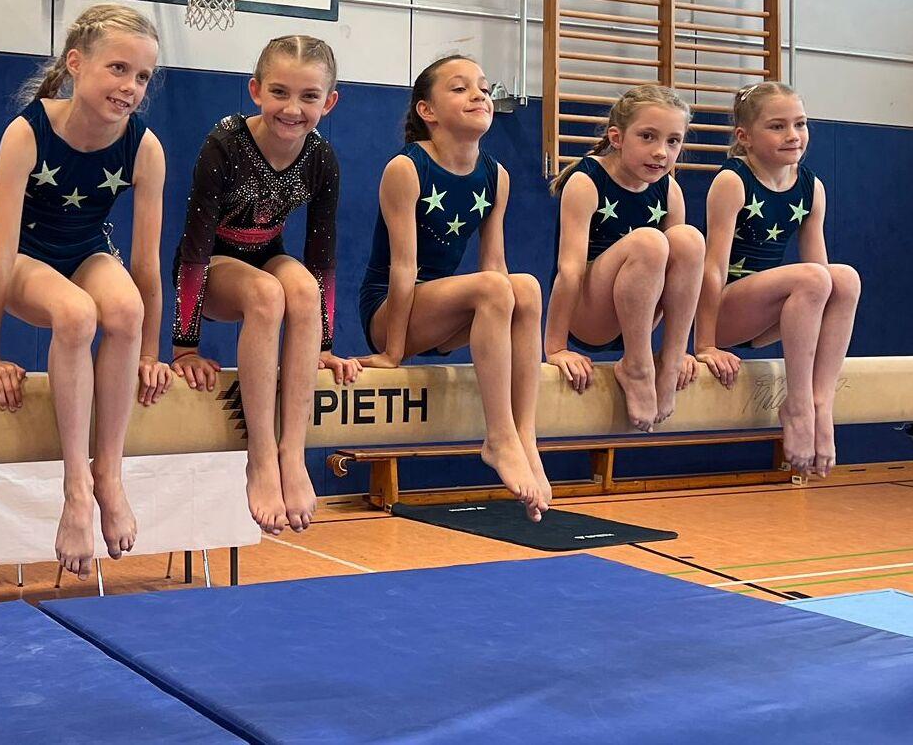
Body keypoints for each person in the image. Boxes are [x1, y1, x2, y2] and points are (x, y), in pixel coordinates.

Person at [0, 5, 169, 578]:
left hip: (86, 256)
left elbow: (146, 265)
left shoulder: (143, 147)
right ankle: (76, 487)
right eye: (118, 69)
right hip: (26, 265)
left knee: (124, 307)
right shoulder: (28, 132)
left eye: (142, 76)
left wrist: (150, 352)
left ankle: (109, 472)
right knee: (77, 314)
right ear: (76, 64)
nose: (130, 87)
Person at [171, 35, 361, 536]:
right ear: (255, 90)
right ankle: (259, 456)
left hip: (266, 258)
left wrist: (322, 345)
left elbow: (322, 259)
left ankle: (291, 453)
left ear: (329, 102)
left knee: (302, 288)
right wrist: (185, 346)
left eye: (308, 96)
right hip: (214, 269)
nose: (292, 109)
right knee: (266, 293)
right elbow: (194, 248)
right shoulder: (225, 144)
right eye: (279, 92)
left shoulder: (321, 158)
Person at [359, 55, 548, 518]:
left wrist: (501, 299)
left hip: (446, 311)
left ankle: (524, 435)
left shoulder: (495, 175)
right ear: (427, 111)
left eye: (483, 87)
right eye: (460, 88)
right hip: (390, 312)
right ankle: (498, 436)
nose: (479, 95)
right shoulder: (408, 167)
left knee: (524, 287)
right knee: (494, 289)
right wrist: (393, 352)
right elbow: (403, 267)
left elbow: (494, 264)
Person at [694, 82, 858, 477]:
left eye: (800, 124)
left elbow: (824, 276)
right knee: (814, 278)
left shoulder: (811, 187)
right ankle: (797, 404)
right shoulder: (734, 181)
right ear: (744, 137)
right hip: (727, 311)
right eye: (777, 126)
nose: (793, 135)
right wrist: (706, 343)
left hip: (770, 313)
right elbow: (712, 269)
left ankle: (821, 402)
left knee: (845, 279)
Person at [546, 85, 704, 431]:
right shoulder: (587, 181)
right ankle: (638, 367)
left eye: (673, 141)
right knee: (650, 242)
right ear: (617, 137)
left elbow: (682, 277)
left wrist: (684, 351)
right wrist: (556, 347)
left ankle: (670, 361)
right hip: (590, 315)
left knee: (689, 240)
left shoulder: (669, 190)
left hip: (640, 318)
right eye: (648, 136)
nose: (661, 152)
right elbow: (569, 271)